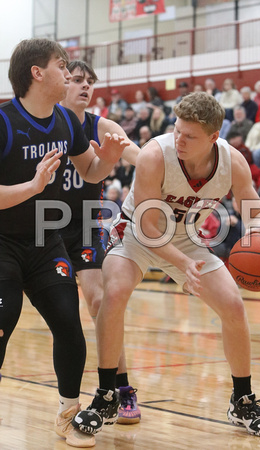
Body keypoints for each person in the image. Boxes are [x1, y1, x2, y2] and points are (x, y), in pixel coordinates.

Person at [73, 92, 260, 438]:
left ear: (214, 137)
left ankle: (242, 399)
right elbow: (148, 226)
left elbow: (255, 211)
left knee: (232, 304)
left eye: (190, 136)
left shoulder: (234, 162)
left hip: (186, 236)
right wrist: (184, 262)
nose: (179, 139)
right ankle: (107, 394)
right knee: (115, 294)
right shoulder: (156, 155)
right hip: (137, 232)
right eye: (177, 130)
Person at [0, 38, 130, 448]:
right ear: (37, 73)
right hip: (2, 242)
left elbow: (90, 172)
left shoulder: (66, 121)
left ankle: (69, 413)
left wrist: (107, 157)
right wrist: (34, 185)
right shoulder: (3, 122)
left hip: (44, 239)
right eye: (61, 66)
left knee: (70, 328)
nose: (69, 73)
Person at [59, 60, 141, 425]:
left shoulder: (101, 125)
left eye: (90, 81)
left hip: (86, 223)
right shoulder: (43, 124)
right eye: (77, 80)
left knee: (98, 301)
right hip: (43, 227)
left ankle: (120, 388)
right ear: (61, 83)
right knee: (59, 316)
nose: (85, 86)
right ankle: (68, 401)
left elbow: (141, 157)